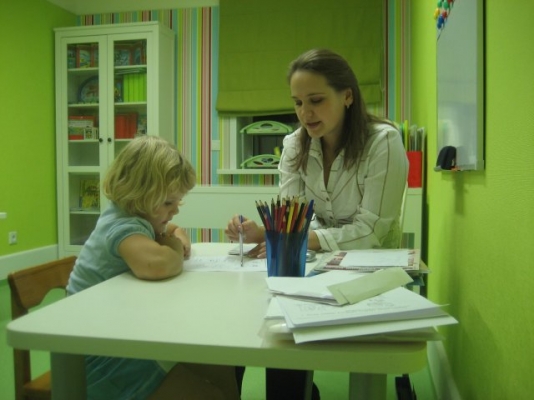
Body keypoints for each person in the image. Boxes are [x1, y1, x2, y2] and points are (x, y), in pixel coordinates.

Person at [226, 48, 409, 400]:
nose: (305, 113)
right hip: (316, 264)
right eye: (297, 103)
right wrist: (265, 231)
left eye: (316, 100)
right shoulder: (294, 145)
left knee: (291, 325)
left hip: (370, 267)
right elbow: (292, 214)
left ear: (347, 96)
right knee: (269, 323)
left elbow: (371, 231)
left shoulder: (383, 142)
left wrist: (298, 238)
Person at [67, 135, 240, 400]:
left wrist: (175, 237)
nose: (175, 211)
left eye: (178, 203)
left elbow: (174, 230)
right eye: (168, 203)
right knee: (212, 393)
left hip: (126, 331)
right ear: (139, 195)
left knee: (221, 363)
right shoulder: (121, 225)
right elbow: (157, 265)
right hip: (101, 356)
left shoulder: (135, 216)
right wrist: (173, 247)